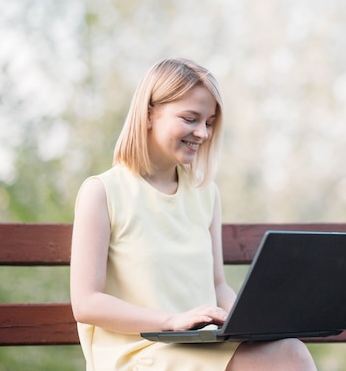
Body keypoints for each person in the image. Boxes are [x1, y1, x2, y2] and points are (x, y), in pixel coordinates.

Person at [70, 58, 317, 371]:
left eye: (209, 122)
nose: (202, 133)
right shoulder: (102, 192)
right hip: (140, 353)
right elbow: (86, 302)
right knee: (289, 359)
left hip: (199, 347)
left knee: (288, 352)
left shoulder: (205, 194)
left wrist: (253, 321)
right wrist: (171, 321)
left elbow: (218, 286)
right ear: (148, 114)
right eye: (190, 119)